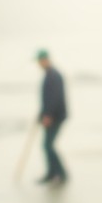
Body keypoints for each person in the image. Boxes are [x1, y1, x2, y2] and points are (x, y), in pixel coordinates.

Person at [35, 49, 69, 186]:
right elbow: (46, 99)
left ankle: (60, 174)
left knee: (48, 145)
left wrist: (48, 115)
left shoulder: (53, 75)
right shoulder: (49, 74)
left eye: (40, 60)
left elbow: (54, 98)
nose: (39, 63)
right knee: (47, 146)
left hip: (56, 116)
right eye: (38, 61)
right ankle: (52, 173)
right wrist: (41, 114)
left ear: (46, 59)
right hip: (52, 115)